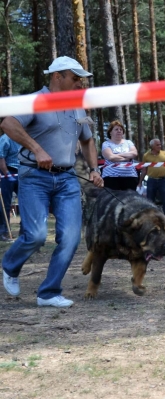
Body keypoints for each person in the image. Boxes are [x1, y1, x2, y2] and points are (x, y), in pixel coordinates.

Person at [0, 55, 104, 308]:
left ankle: (48, 293)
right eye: (75, 78)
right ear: (58, 77)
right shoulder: (36, 100)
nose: (80, 83)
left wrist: (94, 168)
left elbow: (87, 139)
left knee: (70, 238)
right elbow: (8, 123)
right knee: (35, 236)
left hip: (68, 179)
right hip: (34, 177)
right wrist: (37, 149)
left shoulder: (78, 106)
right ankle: (10, 266)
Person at [138, 139, 165, 219]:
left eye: (160, 144)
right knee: (150, 201)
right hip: (151, 180)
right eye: (157, 145)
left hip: (163, 180)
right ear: (152, 146)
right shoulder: (146, 156)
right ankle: (150, 219)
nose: (160, 146)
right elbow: (144, 170)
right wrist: (140, 182)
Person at [101, 120, 139, 191]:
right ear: (110, 132)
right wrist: (127, 157)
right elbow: (111, 157)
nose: (119, 131)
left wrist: (117, 155)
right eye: (116, 129)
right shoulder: (106, 144)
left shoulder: (128, 142)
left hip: (130, 176)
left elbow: (134, 154)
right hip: (111, 177)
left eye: (121, 129)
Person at [0, 133, 21, 242]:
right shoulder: (5, 139)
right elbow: (1, 158)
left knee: (25, 203)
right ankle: (4, 232)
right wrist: (6, 173)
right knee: (5, 204)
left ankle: (25, 231)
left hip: (22, 172)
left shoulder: (23, 136)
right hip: (7, 172)